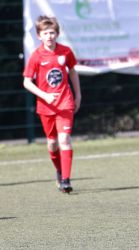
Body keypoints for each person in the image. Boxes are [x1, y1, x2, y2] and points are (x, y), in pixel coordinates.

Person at [23, 16, 82, 194]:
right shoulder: (36, 56)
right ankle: (59, 170)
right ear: (39, 36)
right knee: (52, 144)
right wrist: (45, 96)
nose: (49, 36)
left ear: (57, 34)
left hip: (65, 102)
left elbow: (72, 72)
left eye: (52, 33)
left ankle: (65, 179)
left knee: (64, 139)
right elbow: (27, 82)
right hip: (46, 106)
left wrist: (78, 95)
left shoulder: (65, 52)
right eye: (45, 33)